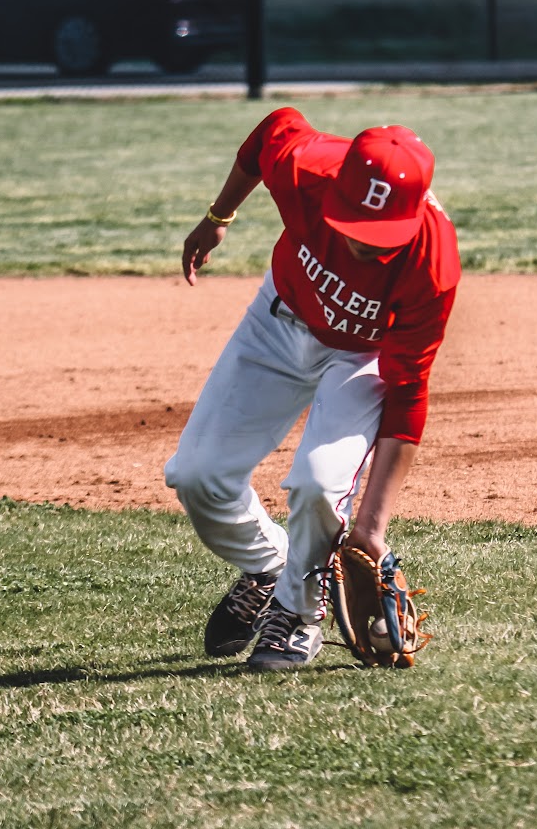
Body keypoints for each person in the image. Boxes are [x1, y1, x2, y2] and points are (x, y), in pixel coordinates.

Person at [164, 107, 462, 671]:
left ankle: (297, 616)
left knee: (320, 488)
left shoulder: (431, 265)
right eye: (354, 226)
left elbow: (407, 398)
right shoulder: (307, 166)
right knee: (197, 476)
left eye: (382, 237)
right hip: (278, 322)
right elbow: (269, 131)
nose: (365, 245)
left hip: (363, 355)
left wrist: (371, 529)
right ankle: (275, 566)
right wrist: (218, 214)